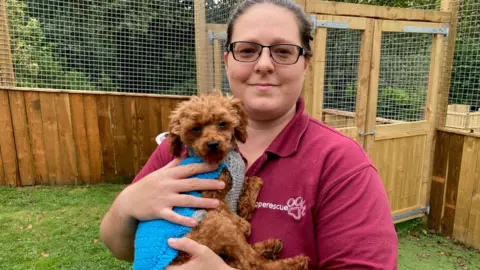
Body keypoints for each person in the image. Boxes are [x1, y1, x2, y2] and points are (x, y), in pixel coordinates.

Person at [99, 0, 399, 269]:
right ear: (228, 60)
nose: (264, 65)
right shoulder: (184, 149)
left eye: (283, 51)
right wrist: (126, 204)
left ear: (306, 63)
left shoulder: (340, 163)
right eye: (247, 50)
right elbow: (122, 248)